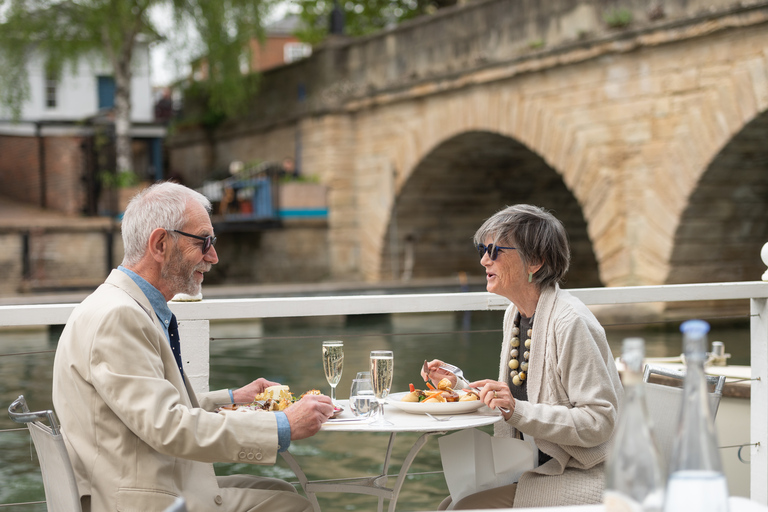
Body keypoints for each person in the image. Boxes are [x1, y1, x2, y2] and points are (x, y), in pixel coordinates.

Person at [52, 181, 333, 512]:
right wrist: (282, 426)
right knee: (293, 505)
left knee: (278, 489)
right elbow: (168, 427)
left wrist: (231, 399)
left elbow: (150, 410)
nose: (213, 256)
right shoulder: (119, 317)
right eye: (205, 242)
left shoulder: (119, 305)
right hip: (138, 501)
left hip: (138, 482)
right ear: (160, 244)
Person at [423, 204, 623, 509]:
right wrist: (458, 387)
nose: (483, 259)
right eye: (483, 248)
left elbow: (599, 421)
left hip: (587, 472)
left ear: (535, 262)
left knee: (463, 508)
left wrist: (517, 410)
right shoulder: (515, 314)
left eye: (495, 250)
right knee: (449, 504)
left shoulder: (570, 322)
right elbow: (515, 401)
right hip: (537, 465)